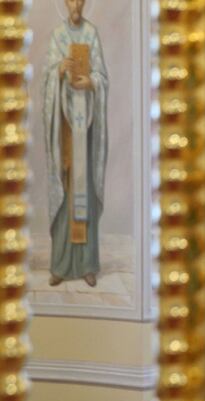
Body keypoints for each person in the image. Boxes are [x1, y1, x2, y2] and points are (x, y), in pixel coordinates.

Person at [43, 0, 109, 287]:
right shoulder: (57, 35)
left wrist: (90, 82)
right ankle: (59, 264)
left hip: (87, 125)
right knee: (67, 185)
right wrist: (59, 71)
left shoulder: (92, 33)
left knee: (85, 190)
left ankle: (86, 264)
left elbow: (103, 77)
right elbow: (46, 77)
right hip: (65, 128)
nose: (76, 5)